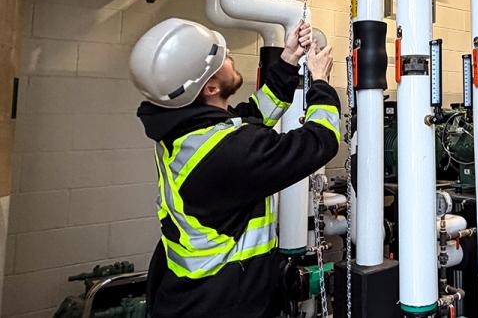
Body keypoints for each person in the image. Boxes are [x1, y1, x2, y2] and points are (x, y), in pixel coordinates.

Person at [129, 17, 339, 317]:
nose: (229, 57)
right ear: (211, 88)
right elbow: (320, 140)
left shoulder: (184, 130)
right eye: (221, 58)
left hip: (191, 294)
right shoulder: (226, 153)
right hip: (222, 303)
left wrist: (289, 59)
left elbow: (250, 118)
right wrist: (320, 83)